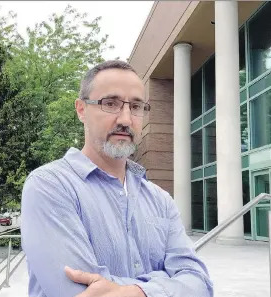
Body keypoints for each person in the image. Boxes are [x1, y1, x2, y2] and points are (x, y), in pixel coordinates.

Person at [21, 60, 214, 297]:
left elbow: (200, 284)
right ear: (81, 109)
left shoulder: (160, 199)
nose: (125, 119)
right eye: (110, 103)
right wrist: (166, 283)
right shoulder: (50, 186)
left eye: (136, 106)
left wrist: (136, 292)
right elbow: (75, 292)